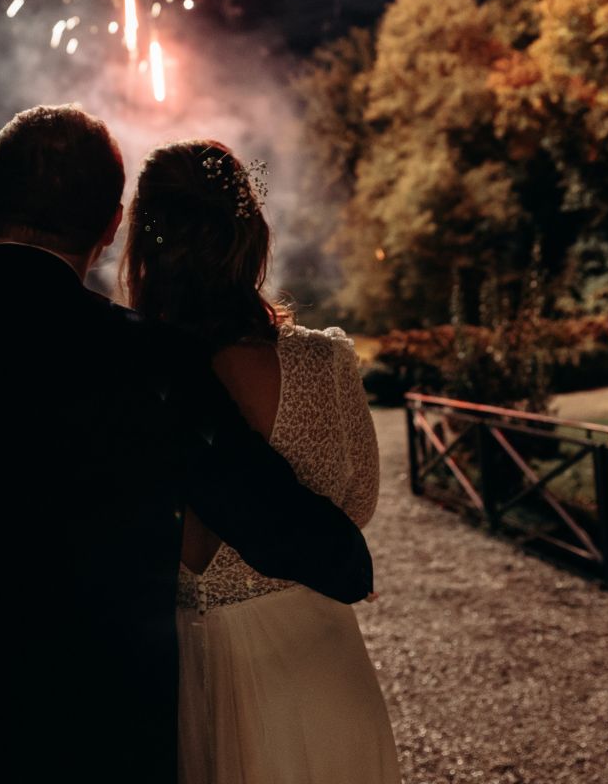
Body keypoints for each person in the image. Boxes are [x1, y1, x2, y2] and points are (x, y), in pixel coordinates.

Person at [0, 105, 373, 783]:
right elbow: (259, 509)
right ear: (111, 227)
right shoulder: (153, 361)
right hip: (77, 741)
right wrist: (346, 561)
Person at [125, 140, 399, 784]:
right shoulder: (324, 365)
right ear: (251, 236)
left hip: (180, 681)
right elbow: (355, 507)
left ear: (144, 245)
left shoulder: (122, 378)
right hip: (319, 669)